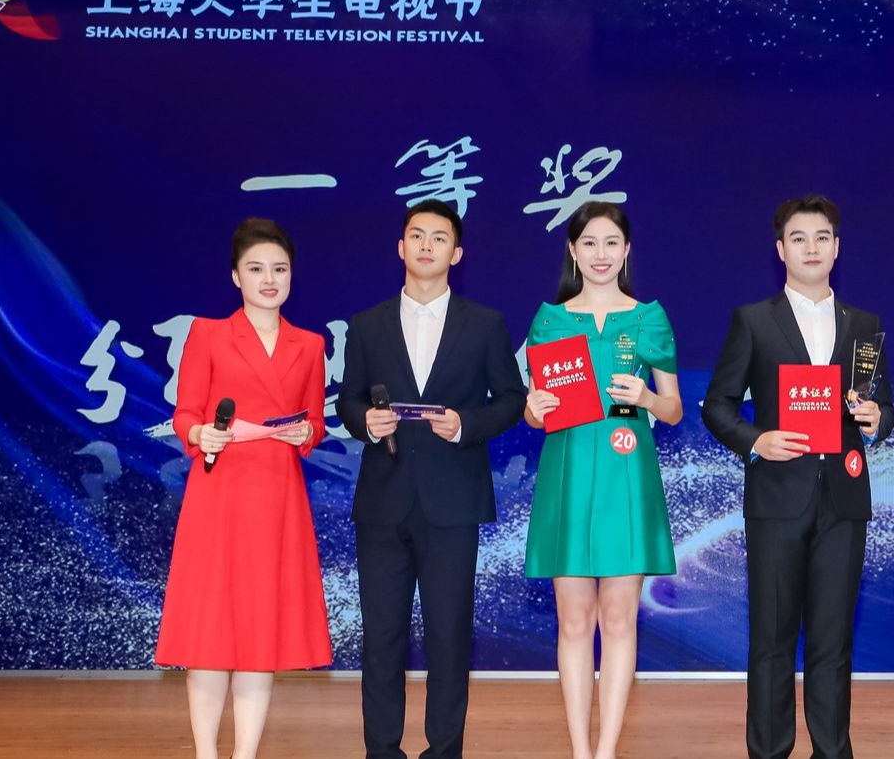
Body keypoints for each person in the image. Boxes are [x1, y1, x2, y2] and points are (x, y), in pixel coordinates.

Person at [703, 194, 894, 759]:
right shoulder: (753, 320)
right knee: (771, 640)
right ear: (780, 249)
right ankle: (769, 752)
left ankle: (832, 751)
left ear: (837, 248)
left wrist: (877, 419)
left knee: (833, 641)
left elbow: (883, 405)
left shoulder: (865, 324)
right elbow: (718, 405)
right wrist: (756, 441)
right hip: (776, 499)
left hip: (843, 500)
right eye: (799, 238)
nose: (811, 248)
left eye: (822, 238)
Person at [336, 199, 526, 759]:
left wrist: (466, 424)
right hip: (383, 500)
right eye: (416, 236)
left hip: (453, 502)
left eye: (439, 238)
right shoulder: (367, 324)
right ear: (400, 248)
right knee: (382, 638)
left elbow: (511, 400)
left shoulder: (485, 323)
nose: (426, 246)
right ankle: (382, 751)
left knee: (448, 636)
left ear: (456, 253)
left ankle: (444, 751)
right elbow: (348, 399)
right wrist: (365, 422)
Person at [156, 218, 332, 759]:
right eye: (256, 269)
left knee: (260, 630)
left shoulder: (309, 344)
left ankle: (245, 754)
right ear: (236, 276)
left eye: (279, 269)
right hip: (220, 490)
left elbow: (315, 420)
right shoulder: (208, 335)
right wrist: (199, 434)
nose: (269, 279)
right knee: (211, 629)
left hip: (277, 494)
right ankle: (206, 753)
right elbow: (186, 413)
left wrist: (307, 433)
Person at [522, 201, 683, 759]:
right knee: (573, 620)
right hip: (567, 477)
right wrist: (533, 410)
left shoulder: (649, 318)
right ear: (572, 250)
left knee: (618, 619)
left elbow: (674, 410)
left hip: (626, 476)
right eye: (589, 243)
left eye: (611, 242)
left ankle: (607, 749)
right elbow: (535, 412)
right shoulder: (549, 320)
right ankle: (578, 749)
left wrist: (647, 398)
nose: (600, 254)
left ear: (627, 250)